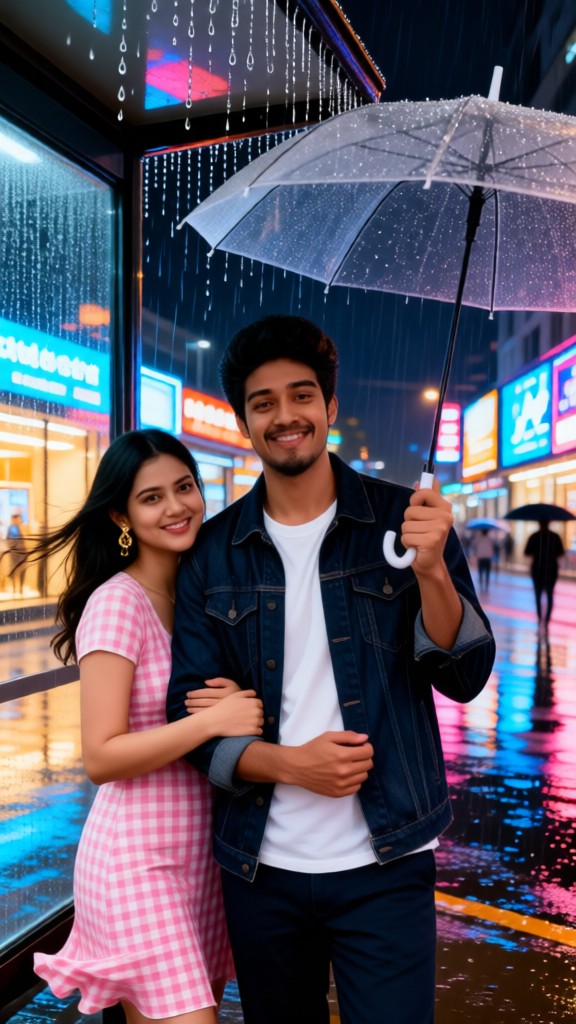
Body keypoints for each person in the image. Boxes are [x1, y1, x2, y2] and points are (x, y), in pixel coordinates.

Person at [166, 315, 495, 1024]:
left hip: (388, 860)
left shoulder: (405, 521)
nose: (286, 416)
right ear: (244, 421)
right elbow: (187, 722)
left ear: (329, 407)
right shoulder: (214, 554)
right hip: (260, 870)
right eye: (264, 403)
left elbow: (463, 676)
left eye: (301, 395)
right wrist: (290, 764)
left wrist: (433, 572)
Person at [32, 429, 264, 1024]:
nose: (177, 506)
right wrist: (211, 720)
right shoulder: (119, 602)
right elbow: (102, 756)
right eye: (152, 497)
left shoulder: (195, 597)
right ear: (122, 515)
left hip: (200, 863)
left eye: (184, 487)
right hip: (138, 862)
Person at [524, 520, 565, 626]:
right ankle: (546, 620)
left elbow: (527, 552)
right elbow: (560, 552)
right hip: (551, 569)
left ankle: (539, 618)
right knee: (550, 594)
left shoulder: (534, 536)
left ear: (539, 524)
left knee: (538, 594)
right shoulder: (555, 537)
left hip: (537, 568)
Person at [5, 511, 27, 594]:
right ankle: (15, 588)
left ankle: (20, 587)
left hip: (21, 551)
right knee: (14, 569)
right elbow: (9, 539)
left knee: (21, 570)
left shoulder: (20, 527)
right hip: (15, 552)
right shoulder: (12, 528)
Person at [472, 527, 495, 592]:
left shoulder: (478, 539)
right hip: (488, 558)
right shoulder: (490, 539)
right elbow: (494, 545)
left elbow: (473, 545)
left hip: (481, 558)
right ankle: (486, 586)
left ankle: (481, 585)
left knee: (481, 572)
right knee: (487, 572)